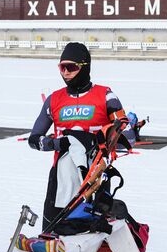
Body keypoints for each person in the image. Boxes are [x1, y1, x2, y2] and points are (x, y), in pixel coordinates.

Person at [28, 42, 131, 230]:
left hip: (95, 178)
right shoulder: (54, 99)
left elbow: (127, 136)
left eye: (71, 67)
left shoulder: (106, 96)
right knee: (54, 235)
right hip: (61, 179)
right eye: (62, 67)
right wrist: (57, 143)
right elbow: (34, 139)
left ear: (85, 67)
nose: (65, 72)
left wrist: (113, 136)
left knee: (91, 237)